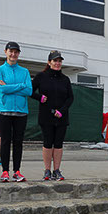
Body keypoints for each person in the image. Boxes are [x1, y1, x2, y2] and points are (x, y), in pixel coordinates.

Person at [31, 51, 74, 181]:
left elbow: (70, 98)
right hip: (46, 116)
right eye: (55, 61)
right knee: (48, 143)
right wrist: (40, 97)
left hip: (61, 117)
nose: (57, 63)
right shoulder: (41, 76)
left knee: (58, 144)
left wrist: (62, 111)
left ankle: (56, 170)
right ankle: (47, 170)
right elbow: (29, 91)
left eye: (59, 61)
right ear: (49, 62)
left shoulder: (65, 79)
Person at [0, 42, 32, 182]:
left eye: (16, 52)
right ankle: (5, 171)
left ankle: (17, 171)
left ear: (18, 54)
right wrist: (20, 86)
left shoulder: (25, 71)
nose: (13, 54)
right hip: (3, 111)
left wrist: (9, 86)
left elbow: (29, 90)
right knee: (5, 141)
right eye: (11, 51)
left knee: (18, 142)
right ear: (6, 52)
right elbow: (1, 89)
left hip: (21, 112)